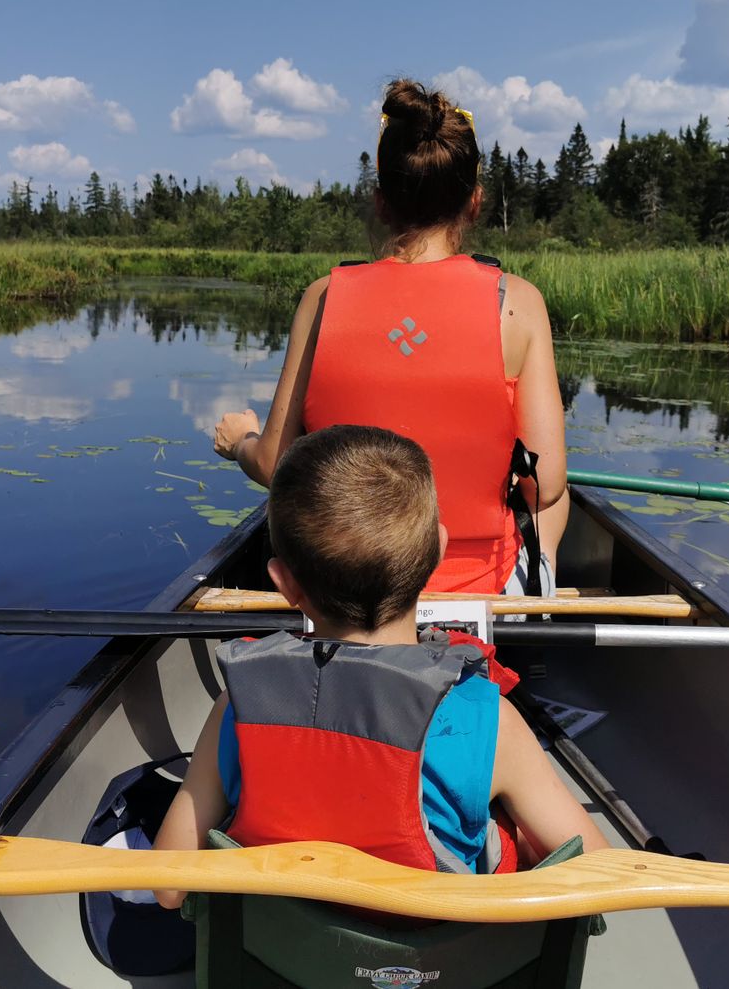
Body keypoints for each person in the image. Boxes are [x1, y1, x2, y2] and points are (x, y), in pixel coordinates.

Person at [153, 425, 607, 909]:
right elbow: (596, 877)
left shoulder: (238, 708)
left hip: (282, 962)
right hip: (440, 963)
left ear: (285, 584)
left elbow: (167, 888)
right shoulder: (489, 721)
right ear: (437, 552)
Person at [212, 78, 569, 595]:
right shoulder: (517, 302)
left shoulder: (323, 298)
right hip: (476, 593)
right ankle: (542, 578)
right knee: (558, 503)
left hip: (348, 592)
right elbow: (544, 487)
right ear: (474, 201)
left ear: (381, 202)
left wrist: (240, 442)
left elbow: (275, 464)